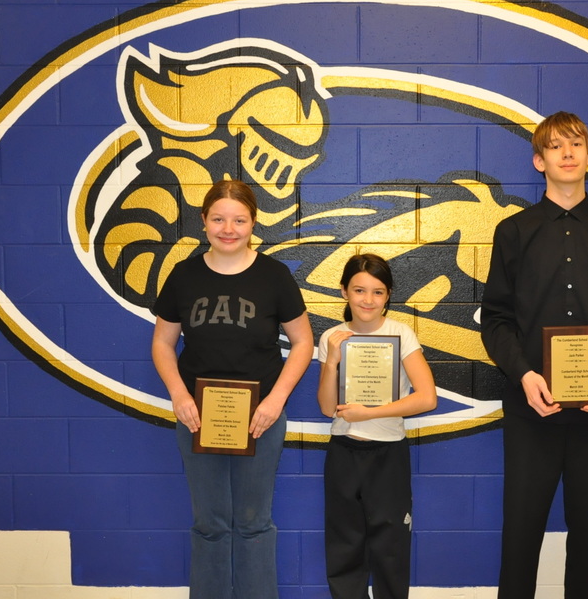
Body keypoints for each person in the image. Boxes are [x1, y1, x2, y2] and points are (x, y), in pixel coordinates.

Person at [480, 112, 588, 599]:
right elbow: (495, 319)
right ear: (540, 161)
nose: (568, 153)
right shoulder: (514, 232)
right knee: (520, 537)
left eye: (576, 143)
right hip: (532, 410)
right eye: (555, 146)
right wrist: (524, 375)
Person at [151, 179, 314, 599]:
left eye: (239, 220)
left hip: (260, 418)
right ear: (203, 221)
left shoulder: (274, 276)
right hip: (197, 416)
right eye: (219, 219)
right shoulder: (184, 275)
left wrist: (276, 400)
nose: (229, 229)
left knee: (254, 522)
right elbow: (163, 343)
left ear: (253, 223)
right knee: (210, 524)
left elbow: (303, 342)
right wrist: (179, 395)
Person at [317, 253, 438, 599]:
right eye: (359, 290)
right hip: (344, 452)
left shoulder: (400, 333)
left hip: (388, 453)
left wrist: (369, 413)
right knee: (344, 545)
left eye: (378, 291)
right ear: (344, 291)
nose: (368, 300)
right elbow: (326, 407)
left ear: (388, 295)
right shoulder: (332, 337)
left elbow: (427, 398)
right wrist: (332, 361)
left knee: (391, 547)